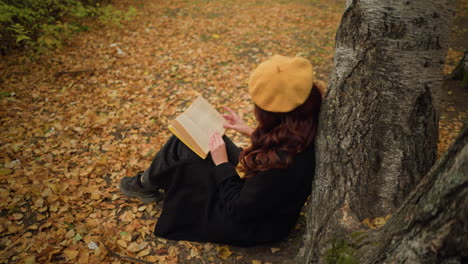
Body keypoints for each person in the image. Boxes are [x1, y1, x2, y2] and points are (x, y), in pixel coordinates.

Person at [119, 55, 324, 246]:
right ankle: (146, 183)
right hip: (261, 203)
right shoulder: (309, 126)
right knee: (188, 139)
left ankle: (144, 184)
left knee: (188, 148)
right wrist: (249, 131)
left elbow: (239, 210)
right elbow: (281, 149)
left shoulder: (278, 164)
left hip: (251, 226)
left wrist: (222, 164)